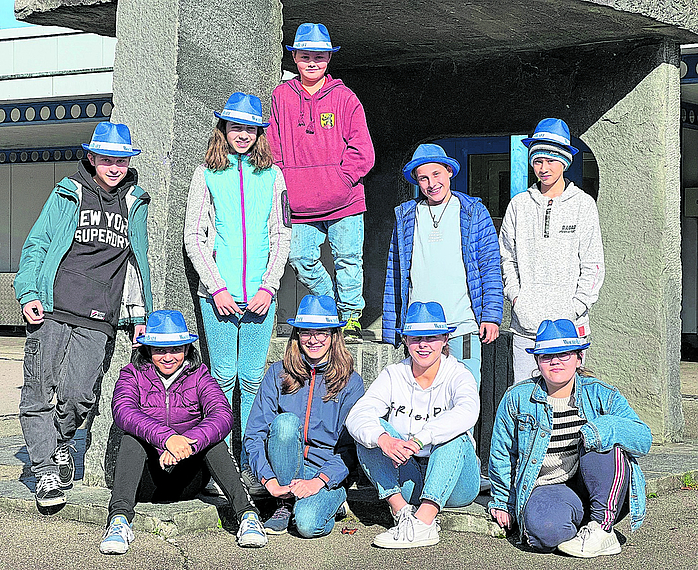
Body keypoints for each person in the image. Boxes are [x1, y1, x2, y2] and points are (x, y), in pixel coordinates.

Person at [13, 121, 152, 508]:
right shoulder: (67, 193)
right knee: (38, 391)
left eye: (121, 160)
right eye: (107, 159)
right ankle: (44, 474)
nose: (114, 167)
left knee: (78, 396)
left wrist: (141, 314)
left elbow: (138, 263)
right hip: (53, 307)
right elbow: (38, 243)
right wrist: (28, 292)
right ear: (91, 158)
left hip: (100, 315)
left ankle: (60, 443)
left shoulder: (134, 201)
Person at [184, 92, 291, 492]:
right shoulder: (205, 174)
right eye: (235, 127)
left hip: (261, 297)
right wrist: (217, 287)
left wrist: (269, 285)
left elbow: (282, 233)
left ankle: (250, 465)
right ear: (223, 130)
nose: (242, 134)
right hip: (220, 297)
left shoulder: (274, 176)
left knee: (251, 380)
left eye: (249, 128)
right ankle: (220, 466)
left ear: (259, 132)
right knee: (221, 378)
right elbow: (194, 236)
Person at [99, 310, 267, 554]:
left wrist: (186, 443)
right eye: (160, 350)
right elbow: (123, 411)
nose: (168, 357)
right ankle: (119, 521)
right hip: (146, 481)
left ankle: (248, 516)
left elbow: (222, 415)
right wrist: (166, 439)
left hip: (189, 477)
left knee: (215, 440)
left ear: (187, 349)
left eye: (176, 349)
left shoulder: (200, 376)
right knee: (131, 438)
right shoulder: (132, 373)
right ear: (147, 350)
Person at [488, 319, 652, 558]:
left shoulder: (601, 394)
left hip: (600, 487)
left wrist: (600, 429)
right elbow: (502, 453)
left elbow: (642, 438)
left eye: (564, 355)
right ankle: (580, 525)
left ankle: (601, 528)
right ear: (537, 361)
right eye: (546, 356)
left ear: (579, 357)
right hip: (548, 486)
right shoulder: (517, 398)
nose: (555, 362)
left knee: (602, 439)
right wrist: (503, 502)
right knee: (545, 535)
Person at [267, 23, 375, 342]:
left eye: (320, 56)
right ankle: (332, 307)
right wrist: (287, 183)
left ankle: (351, 316)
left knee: (348, 260)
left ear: (329, 58)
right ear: (294, 58)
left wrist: (341, 180)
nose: (312, 62)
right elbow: (273, 146)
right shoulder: (281, 97)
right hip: (299, 203)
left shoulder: (345, 98)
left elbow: (362, 149)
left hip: (345, 200)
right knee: (299, 258)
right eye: (305, 56)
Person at [347, 301, 480, 549]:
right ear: (406, 340)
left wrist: (422, 437)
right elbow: (358, 415)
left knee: (455, 435)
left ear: (445, 339)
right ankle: (403, 513)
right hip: (410, 476)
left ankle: (424, 523)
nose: (423, 345)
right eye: (416, 338)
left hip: (456, 481)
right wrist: (383, 439)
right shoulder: (393, 374)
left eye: (431, 337)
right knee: (372, 431)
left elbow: (468, 411)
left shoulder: (459, 374)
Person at [384, 143, 503, 390]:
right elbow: (394, 274)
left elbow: (491, 265)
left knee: (465, 396)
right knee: (423, 398)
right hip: (420, 330)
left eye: (436, 174)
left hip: (463, 325)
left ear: (449, 171)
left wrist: (491, 315)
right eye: (423, 178)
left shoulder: (473, 211)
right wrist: (390, 327)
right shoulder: (406, 216)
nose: (431, 183)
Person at [243, 295, 364, 537]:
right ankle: (285, 504)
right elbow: (254, 434)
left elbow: (351, 448)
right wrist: (268, 480)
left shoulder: (351, 382)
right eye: (306, 332)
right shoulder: (278, 373)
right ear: (297, 335)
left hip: (324, 472)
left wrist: (321, 481)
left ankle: (334, 501)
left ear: (333, 336)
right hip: (284, 467)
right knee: (286, 423)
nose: (314, 339)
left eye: (322, 332)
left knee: (308, 525)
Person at [499, 118, 605, 384]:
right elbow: (506, 257)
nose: (543, 168)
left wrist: (577, 306)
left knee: (567, 397)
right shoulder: (519, 205)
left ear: (565, 161)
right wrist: (516, 297)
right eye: (537, 161)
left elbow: (593, 264)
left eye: (550, 160)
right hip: (525, 327)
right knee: (525, 397)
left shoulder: (583, 205)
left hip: (570, 327)